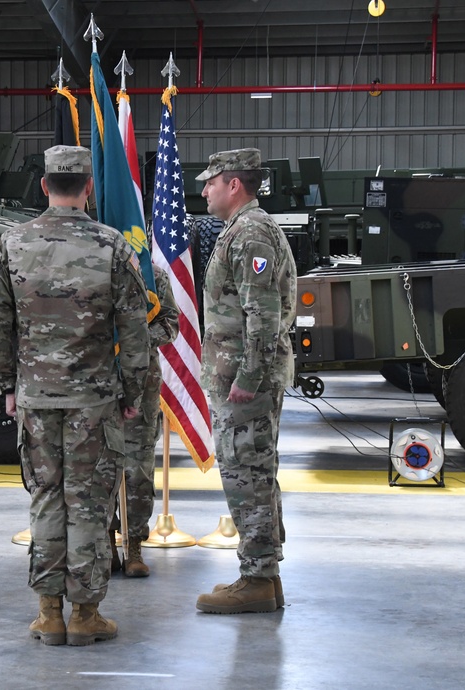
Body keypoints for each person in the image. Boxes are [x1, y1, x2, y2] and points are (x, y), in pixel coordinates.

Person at [0, 145, 150, 646]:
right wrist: (133, 390)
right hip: (94, 400)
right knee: (89, 504)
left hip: (35, 398)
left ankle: (48, 612)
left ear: (44, 185)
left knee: (46, 499)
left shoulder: (10, 244)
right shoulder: (112, 245)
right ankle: (86, 615)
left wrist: (5, 385)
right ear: (89, 188)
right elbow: (135, 329)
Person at [193, 148, 297, 614]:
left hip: (244, 379)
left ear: (233, 184)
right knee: (255, 470)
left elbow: (262, 313)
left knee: (245, 473)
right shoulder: (243, 229)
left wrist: (248, 376)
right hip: (241, 374)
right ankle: (265, 577)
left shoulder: (251, 232)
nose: (204, 190)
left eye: (210, 182)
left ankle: (255, 578)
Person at [116, 266, 178, 578]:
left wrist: (132, 339)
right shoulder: (93, 263)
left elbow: (170, 323)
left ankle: (134, 543)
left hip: (142, 379)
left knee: (138, 464)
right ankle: (102, 541)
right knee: (94, 464)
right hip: (95, 378)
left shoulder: (151, 274)